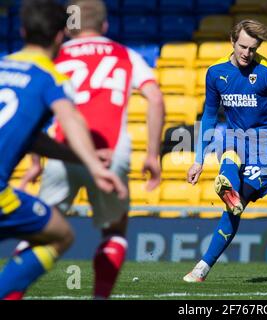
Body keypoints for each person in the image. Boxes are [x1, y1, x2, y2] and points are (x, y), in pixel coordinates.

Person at [19, 0, 165, 299]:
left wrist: (35, 161)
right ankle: (100, 296)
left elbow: (36, 106)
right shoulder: (125, 54)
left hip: (63, 150)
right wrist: (152, 154)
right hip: (112, 152)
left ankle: (10, 291)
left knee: (41, 229)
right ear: (105, 25)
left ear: (67, 27)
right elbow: (155, 97)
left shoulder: (57, 56)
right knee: (114, 230)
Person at [0, 0, 127, 300]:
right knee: (61, 234)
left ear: (22, 30)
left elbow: (32, 139)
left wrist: (76, 157)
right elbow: (70, 119)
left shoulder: (2, 65)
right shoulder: (51, 78)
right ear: (60, 36)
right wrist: (95, 167)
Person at [184, 20, 267, 282]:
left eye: (252, 48)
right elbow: (208, 116)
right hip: (236, 139)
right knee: (228, 143)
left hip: (266, 148)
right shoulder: (216, 73)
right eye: (242, 46)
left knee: (237, 206)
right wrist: (198, 160)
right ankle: (202, 268)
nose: (246, 53)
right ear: (232, 41)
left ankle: (204, 264)